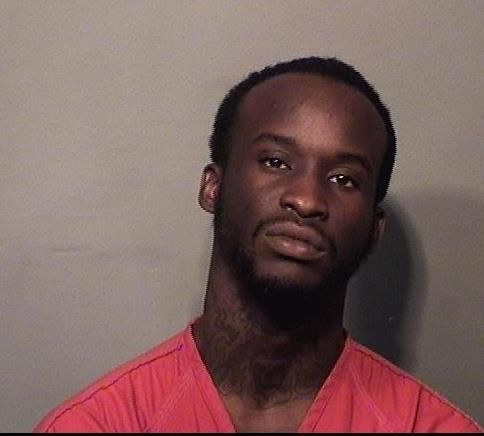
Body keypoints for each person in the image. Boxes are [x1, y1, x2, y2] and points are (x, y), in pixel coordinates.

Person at [34, 56, 482, 433]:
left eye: (344, 179)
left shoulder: (431, 428)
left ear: (374, 230)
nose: (306, 200)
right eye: (276, 161)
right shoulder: (98, 425)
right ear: (213, 186)